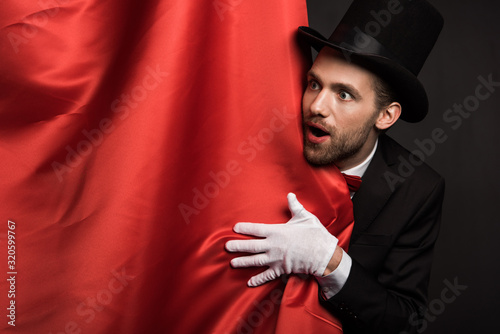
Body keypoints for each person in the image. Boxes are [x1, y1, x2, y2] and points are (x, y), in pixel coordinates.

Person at [225, 0, 445, 333]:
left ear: (386, 116)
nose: (316, 106)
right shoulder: (265, 145)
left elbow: (405, 320)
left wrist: (332, 263)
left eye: (344, 94)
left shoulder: (418, 189)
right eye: (314, 84)